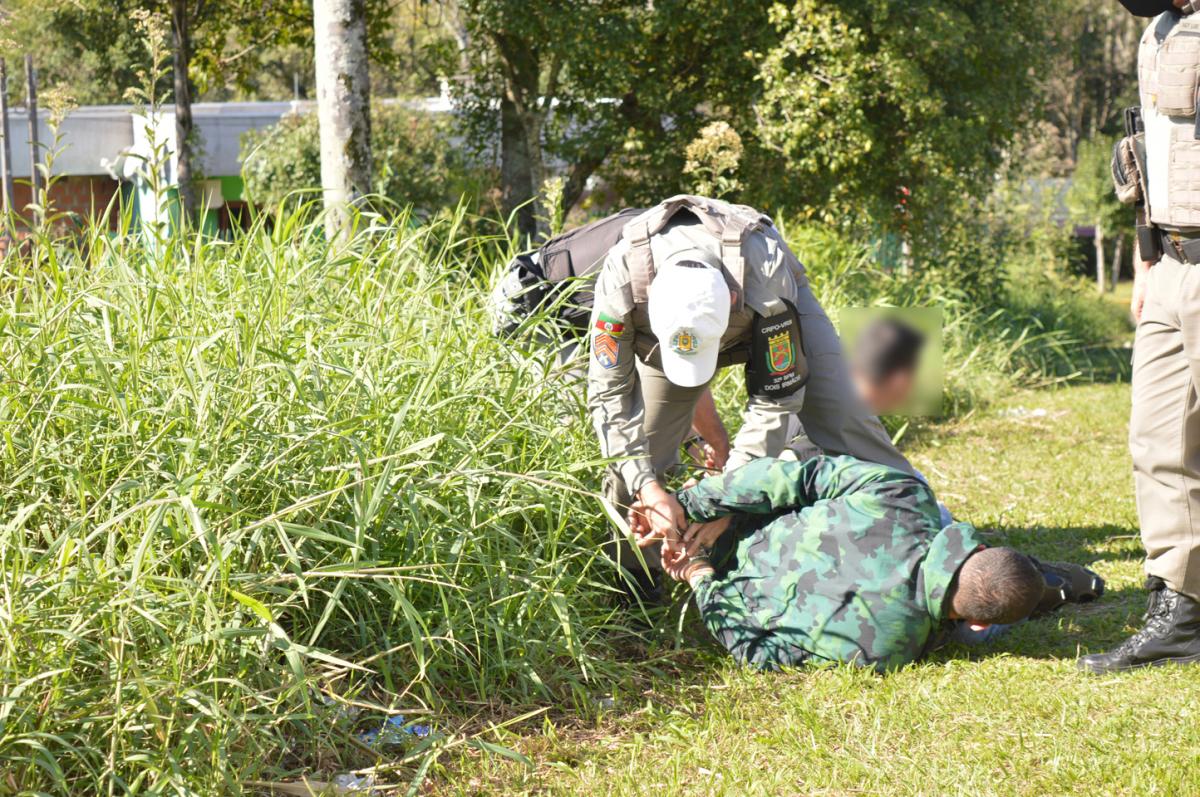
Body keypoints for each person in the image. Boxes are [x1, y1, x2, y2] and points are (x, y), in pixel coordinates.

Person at [586, 196, 911, 573]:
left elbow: (777, 399)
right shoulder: (622, 279)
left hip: (769, 309)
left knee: (843, 417)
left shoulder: (765, 278)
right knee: (640, 460)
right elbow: (609, 397)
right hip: (663, 347)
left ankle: (920, 537)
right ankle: (637, 584)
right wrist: (647, 487)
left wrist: (729, 498)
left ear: (733, 298)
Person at [656, 454, 1045, 670]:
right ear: (977, 619)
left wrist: (692, 504)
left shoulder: (904, 495)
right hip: (704, 559)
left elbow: (793, 475)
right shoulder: (890, 652)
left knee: (931, 499)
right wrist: (700, 576)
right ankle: (1040, 594)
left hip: (726, 509)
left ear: (976, 550)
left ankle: (1041, 582)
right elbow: (757, 652)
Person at [1081, 0, 1200, 673]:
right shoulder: (1157, 31)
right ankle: (1179, 614)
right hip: (1172, 259)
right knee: (1157, 441)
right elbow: (1154, 152)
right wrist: (1146, 258)